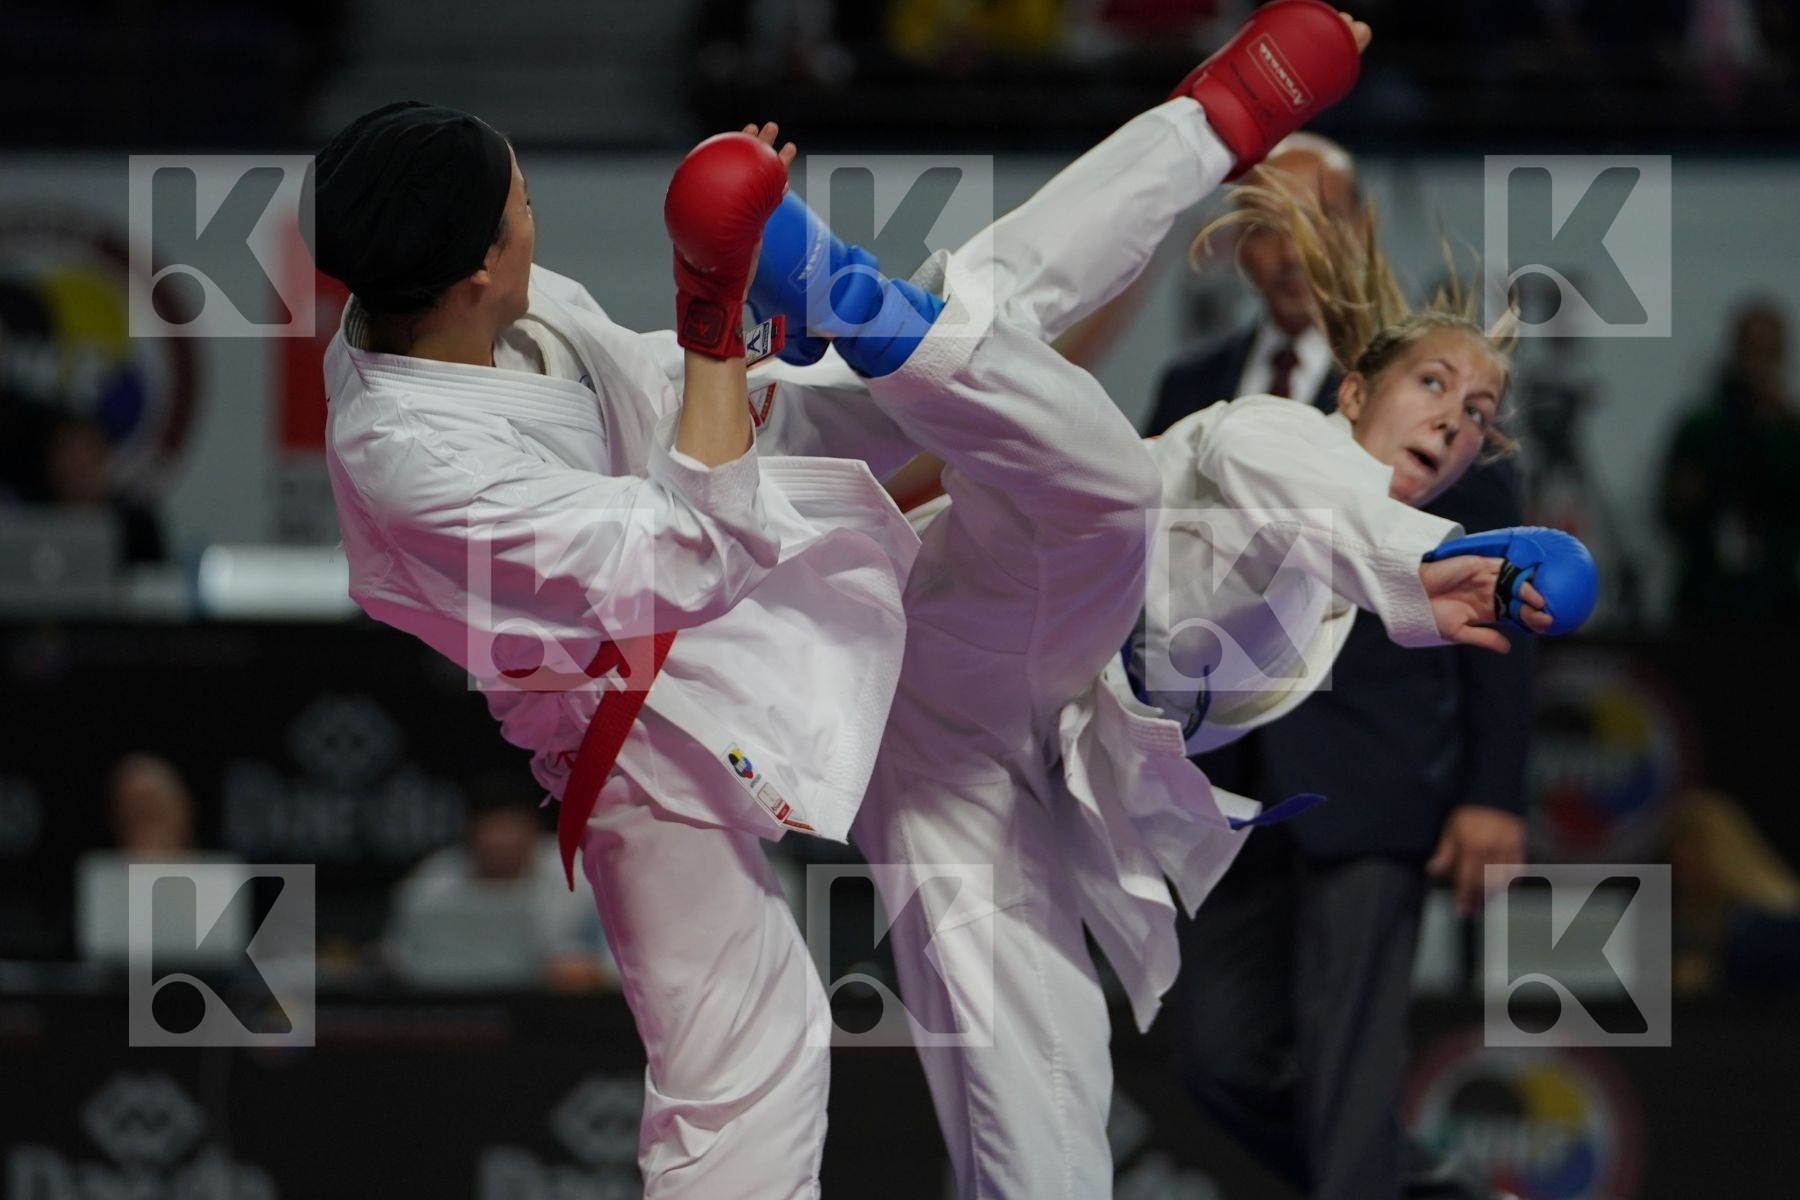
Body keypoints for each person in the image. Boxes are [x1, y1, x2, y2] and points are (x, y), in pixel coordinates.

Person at [746, 5, 1585, 1195]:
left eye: (1481, 411)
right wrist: (1417, 564)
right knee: (1090, 469)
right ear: (1353, 391)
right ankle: (1208, 122)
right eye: (1436, 383)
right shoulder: (1278, 435)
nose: (1459, 417)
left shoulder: (1364, 576)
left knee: (1050, 1078)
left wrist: (1414, 570)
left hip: (970, 751)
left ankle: (851, 343)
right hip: (1007, 614)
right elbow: (1301, 489)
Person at [310, 105, 920, 1197]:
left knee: (952, 367)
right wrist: (715, 312)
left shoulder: (429, 289)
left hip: (673, 609)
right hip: (620, 723)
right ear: (477, 275)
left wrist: (751, 327)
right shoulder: (415, 456)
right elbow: (696, 553)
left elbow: (632, 389)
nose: (536, 219)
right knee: (743, 1063)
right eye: (524, 206)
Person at [1152, 136, 1535, 1200]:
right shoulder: (1192, 388)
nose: (1291, 249)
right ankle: (1408, 1187)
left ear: (1361, 229)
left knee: (1347, 1062)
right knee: (1214, 1057)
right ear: (1238, 247)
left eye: (1317, 219)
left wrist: (1492, 794)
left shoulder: (1435, 388)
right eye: (1267, 223)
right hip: (1224, 791)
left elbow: (1497, 602)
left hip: (1371, 782)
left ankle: (1367, 1174)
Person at [386, 772, 617, 991]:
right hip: (455, 1007)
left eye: (510, 827)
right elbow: (399, 955)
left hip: (556, 1007)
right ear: (469, 833)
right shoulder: (432, 880)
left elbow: (619, 955)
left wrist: (594, 971)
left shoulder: (580, 873)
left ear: (533, 828)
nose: (500, 841)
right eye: (490, 829)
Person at [1660, 298, 1800, 626]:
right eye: (1751, 351)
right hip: (1707, 597)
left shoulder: (1789, 433)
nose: (1758, 365)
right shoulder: (1702, 429)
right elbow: (1672, 510)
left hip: (1777, 599)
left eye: (1769, 353)